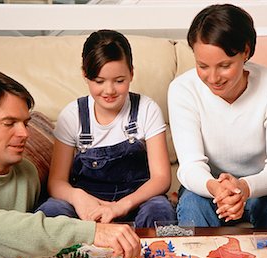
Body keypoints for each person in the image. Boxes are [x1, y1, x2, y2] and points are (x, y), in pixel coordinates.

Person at [0, 70, 141, 258]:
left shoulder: (27, 171)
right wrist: (94, 232)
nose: (24, 133)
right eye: (9, 123)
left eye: (25, 123)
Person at [168, 4, 267, 229]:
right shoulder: (183, 90)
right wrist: (217, 188)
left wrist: (244, 188)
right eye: (202, 66)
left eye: (224, 65)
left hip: (263, 187)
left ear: (245, 51)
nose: (213, 77)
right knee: (192, 205)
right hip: (209, 188)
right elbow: (190, 166)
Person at [36, 30, 175, 228]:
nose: (109, 91)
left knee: (160, 211)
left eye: (119, 81)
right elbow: (56, 182)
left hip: (136, 201)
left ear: (131, 73)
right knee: (50, 212)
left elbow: (161, 178)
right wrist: (78, 198)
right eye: (99, 81)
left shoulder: (146, 109)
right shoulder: (72, 114)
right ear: (85, 75)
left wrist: (121, 206)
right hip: (86, 205)